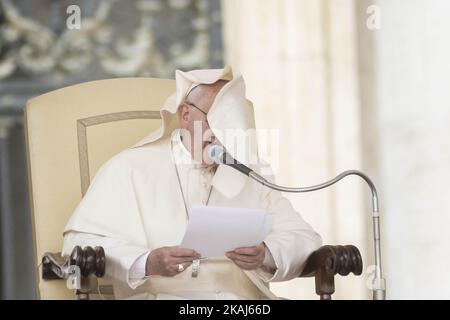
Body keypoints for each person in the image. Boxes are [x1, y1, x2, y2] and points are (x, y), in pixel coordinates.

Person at [62, 65, 322, 299]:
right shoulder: (129, 168)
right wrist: (147, 262)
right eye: (215, 123)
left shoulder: (251, 172)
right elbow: (77, 246)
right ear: (185, 114)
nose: (221, 139)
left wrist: (266, 253)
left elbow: (303, 237)